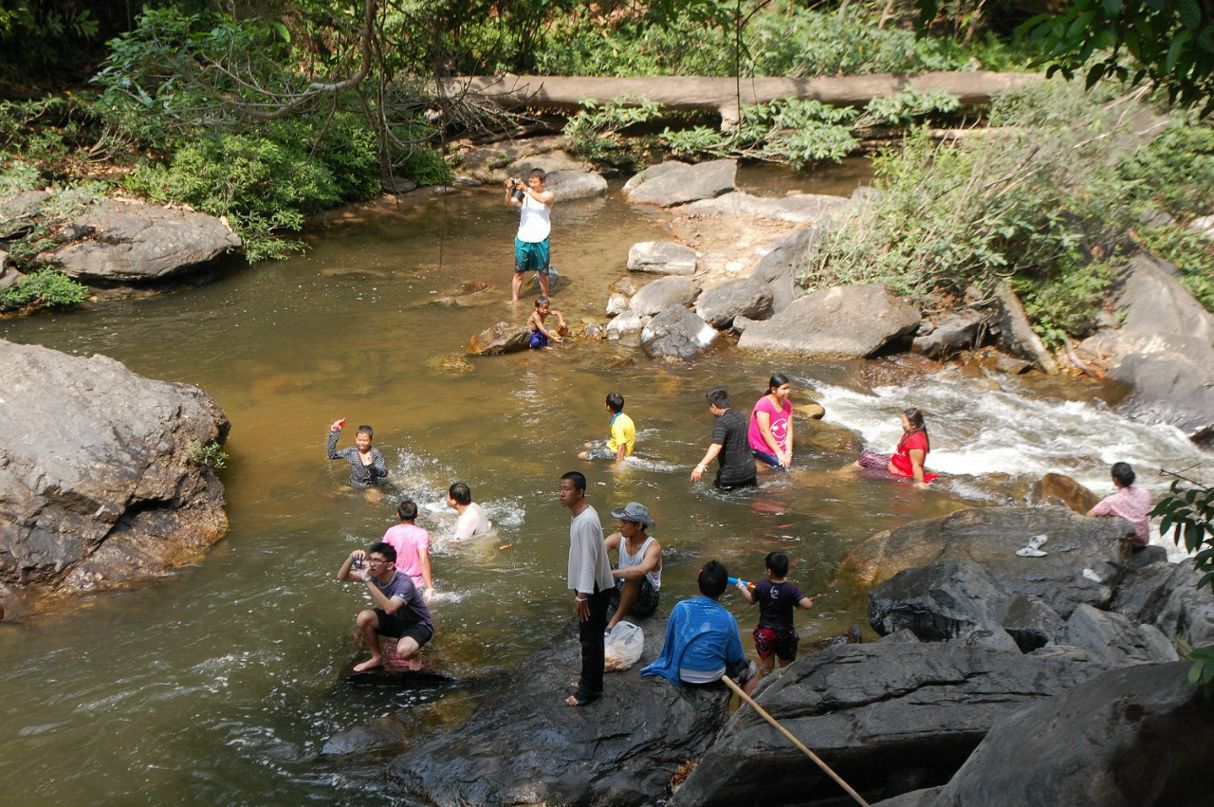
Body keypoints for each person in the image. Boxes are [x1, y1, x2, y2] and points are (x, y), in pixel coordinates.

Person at [640, 560, 756, 691]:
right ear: (723, 589)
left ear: (699, 584)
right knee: (750, 668)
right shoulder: (728, 619)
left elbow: (671, 642)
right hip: (710, 678)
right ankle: (743, 711)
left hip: (679, 671)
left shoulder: (680, 607)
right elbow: (735, 656)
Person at [558, 470, 614, 706]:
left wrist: (582, 596)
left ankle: (589, 691)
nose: (561, 494)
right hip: (589, 588)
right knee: (588, 637)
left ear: (580, 492)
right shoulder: (579, 516)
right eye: (560, 489)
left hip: (593, 589)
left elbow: (590, 561)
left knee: (590, 640)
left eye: (566, 489)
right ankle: (588, 681)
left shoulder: (587, 521)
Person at [337, 541, 433, 673]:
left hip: (418, 624)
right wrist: (351, 558)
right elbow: (342, 577)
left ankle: (415, 655)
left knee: (404, 652)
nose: (371, 563)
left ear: (390, 565)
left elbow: (390, 608)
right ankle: (377, 657)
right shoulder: (373, 573)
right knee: (364, 617)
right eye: (370, 559)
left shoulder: (404, 583)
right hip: (396, 620)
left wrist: (367, 581)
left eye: (376, 561)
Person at [735, 551, 813, 686]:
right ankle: (784, 690)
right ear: (787, 571)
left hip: (765, 633)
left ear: (769, 571)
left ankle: (755, 693)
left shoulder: (761, 586)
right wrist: (799, 602)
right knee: (786, 667)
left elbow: (750, 600)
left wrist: (741, 587)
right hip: (784, 633)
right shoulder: (791, 589)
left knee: (766, 667)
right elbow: (807, 604)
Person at [604, 501, 662, 632]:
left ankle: (612, 623)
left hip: (644, 601)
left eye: (624, 523)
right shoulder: (618, 539)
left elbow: (641, 570)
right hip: (620, 591)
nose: (620, 527)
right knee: (597, 564)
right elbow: (597, 552)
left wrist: (609, 574)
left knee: (634, 576)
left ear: (639, 525)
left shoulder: (653, 547)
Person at [691, 387, 757, 490]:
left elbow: (716, 445)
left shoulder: (721, 422)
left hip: (731, 477)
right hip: (750, 472)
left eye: (710, 407)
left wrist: (700, 466)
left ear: (714, 406)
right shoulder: (740, 416)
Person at [506, 168, 556, 303]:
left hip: (541, 239)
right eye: (530, 181)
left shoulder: (548, 195)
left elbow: (542, 200)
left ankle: (545, 298)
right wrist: (509, 190)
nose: (532, 184)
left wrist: (527, 189)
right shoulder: (523, 194)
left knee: (543, 273)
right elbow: (509, 203)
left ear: (543, 182)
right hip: (523, 239)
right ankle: (515, 300)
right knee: (518, 273)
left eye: (535, 182)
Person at [854, 406, 938, 485]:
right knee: (864, 463)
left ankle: (844, 475)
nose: (902, 424)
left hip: (900, 473)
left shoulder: (916, 442)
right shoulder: (910, 432)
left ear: (913, 425)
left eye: (904, 422)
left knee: (866, 457)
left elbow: (917, 466)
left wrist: (919, 484)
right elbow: (901, 452)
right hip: (893, 464)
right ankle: (847, 474)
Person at [1087, 462, 1153, 548]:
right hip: (1144, 539)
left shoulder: (1111, 501)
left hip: (1129, 544)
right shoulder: (1145, 492)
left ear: (1116, 480)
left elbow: (1089, 515)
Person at [382, 499, 434, 604]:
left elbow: (382, 555)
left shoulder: (390, 531)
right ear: (417, 515)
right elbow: (423, 559)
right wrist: (429, 587)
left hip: (395, 582)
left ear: (398, 515)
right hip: (416, 585)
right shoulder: (422, 533)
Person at [748, 373, 795, 471]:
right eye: (784, 388)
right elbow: (764, 431)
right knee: (784, 469)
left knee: (788, 465)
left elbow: (789, 430)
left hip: (777, 444)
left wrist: (788, 451)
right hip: (760, 446)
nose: (788, 391)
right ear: (773, 390)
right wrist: (779, 453)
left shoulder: (788, 404)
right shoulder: (764, 404)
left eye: (788, 388)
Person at [327, 419, 389, 488]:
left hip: (370, 485)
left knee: (374, 498)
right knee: (334, 494)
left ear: (371, 440)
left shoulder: (375, 453)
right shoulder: (351, 451)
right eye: (359, 440)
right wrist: (335, 432)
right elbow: (331, 455)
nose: (362, 443)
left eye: (365, 440)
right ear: (356, 439)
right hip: (353, 483)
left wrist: (371, 466)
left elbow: (384, 473)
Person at [579, 392, 635, 465]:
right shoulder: (625, 418)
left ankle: (591, 465)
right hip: (612, 443)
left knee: (581, 455)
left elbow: (621, 447)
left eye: (605, 402)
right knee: (588, 444)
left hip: (613, 451)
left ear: (608, 407)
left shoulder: (618, 424)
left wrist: (617, 464)